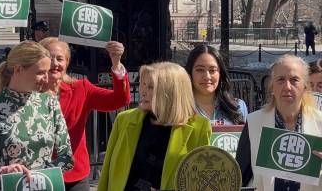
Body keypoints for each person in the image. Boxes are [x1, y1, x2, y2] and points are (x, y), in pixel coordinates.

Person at [0, 41, 74, 189]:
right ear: (18, 69)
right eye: (40, 72)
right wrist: (0, 174)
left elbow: (67, 158)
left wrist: (39, 175)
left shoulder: (50, 104)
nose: (46, 78)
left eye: (47, 71)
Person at [98, 62, 212, 191]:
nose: (143, 91)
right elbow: (107, 172)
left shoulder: (199, 127)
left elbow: (199, 181)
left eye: (151, 87)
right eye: (143, 84)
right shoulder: (124, 119)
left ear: (171, 92)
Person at [39, 37, 130, 190]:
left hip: (74, 174)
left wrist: (116, 63)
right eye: (49, 58)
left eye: (60, 59)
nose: (55, 64)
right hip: (40, 174)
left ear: (67, 62)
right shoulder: (28, 91)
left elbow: (119, 100)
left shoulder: (81, 88)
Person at [236, 54, 322, 190]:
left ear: (305, 86)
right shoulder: (254, 122)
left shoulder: (320, 124)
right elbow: (239, 179)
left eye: (294, 80)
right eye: (281, 80)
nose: (287, 87)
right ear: (272, 87)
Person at [185, 44, 248, 126]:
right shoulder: (179, 109)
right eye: (200, 70)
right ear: (190, 72)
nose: (207, 76)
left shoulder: (238, 107)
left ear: (220, 73)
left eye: (212, 70)